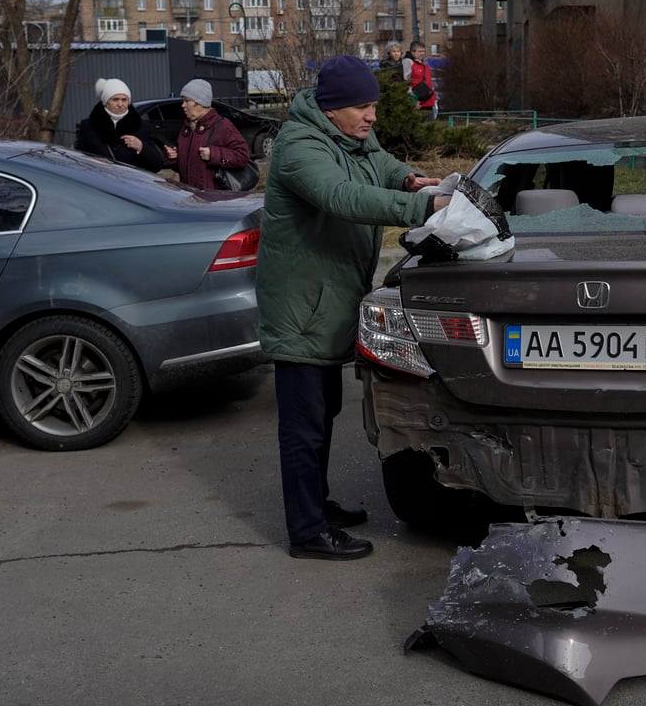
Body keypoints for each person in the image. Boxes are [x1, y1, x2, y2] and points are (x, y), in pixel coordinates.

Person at [255, 55, 447, 561]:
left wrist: (410, 179)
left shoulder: (351, 138)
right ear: (333, 108)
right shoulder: (299, 147)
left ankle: (317, 507)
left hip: (328, 306)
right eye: (363, 107)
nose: (372, 117)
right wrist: (422, 208)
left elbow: (379, 164)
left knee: (324, 415)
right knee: (303, 427)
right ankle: (306, 532)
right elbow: (341, 196)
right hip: (301, 309)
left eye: (375, 105)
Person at [164, 79, 251, 189]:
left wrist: (213, 154)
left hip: (212, 201)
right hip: (189, 198)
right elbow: (185, 167)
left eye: (187, 101)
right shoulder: (186, 128)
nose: (183, 105)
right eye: (183, 101)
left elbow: (242, 156)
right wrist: (174, 157)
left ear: (200, 102)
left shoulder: (223, 126)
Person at [75, 78, 166, 172]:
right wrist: (93, 162)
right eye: (115, 99)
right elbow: (77, 159)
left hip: (131, 183)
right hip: (99, 182)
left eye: (124, 100)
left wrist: (141, 147)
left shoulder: (141, 127)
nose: (120, 104)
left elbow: (157, 165)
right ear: (105, 102)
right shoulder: (89, 126)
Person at [403, 40, 438, 119]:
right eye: (420, 51)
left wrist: (435, 98)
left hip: (429, 102)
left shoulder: (424, 64)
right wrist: (412, 100)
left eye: (423, 51)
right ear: (412, 51)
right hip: (418, 103)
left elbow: (429, 83)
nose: (422, 53)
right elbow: (406, 82)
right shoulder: (408, 62)